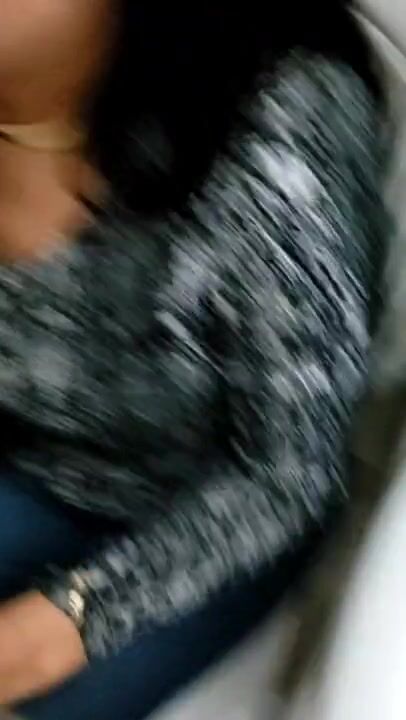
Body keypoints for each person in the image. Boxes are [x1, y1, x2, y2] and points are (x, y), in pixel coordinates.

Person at [0, 2, 386, 718]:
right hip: (44, 461)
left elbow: (289, 470)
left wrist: (65, 625)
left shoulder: (276, 122)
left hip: (217, 505)